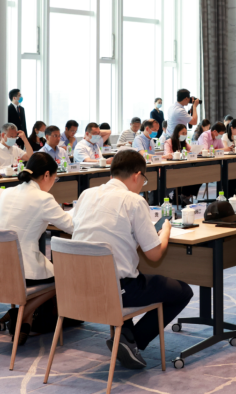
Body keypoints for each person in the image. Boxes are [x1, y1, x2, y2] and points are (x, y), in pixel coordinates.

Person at [72, 150, 193, 368]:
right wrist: (165, 230)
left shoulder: (86, 194)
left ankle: (125, 336)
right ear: (137, 175)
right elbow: (154, 254)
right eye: (144, 180)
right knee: (183, 291)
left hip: (79, 286)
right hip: (115, 290)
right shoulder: (134, 201)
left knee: (130, 272)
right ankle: (134, 340)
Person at [0, 152, 77, 341]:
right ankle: (21, 315)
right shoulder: (43, 198)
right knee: (63, 278)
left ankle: (25, 319)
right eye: (55, 178)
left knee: (48, 270)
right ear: (46, 175)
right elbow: (71, 226)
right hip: (22, 266)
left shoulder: (7, 192)